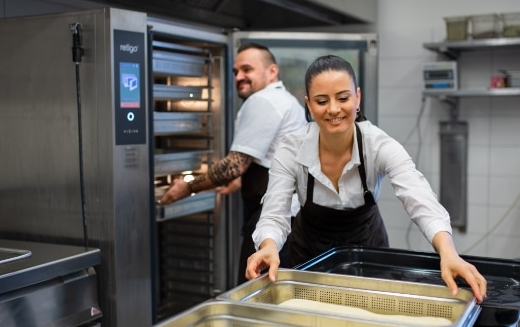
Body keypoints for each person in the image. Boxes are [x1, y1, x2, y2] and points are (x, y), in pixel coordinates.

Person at [246, 55, 487, 302]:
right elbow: (275, 213)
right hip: (309, 258)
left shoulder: (379, 146)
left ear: (357, 97)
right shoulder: (291, 149)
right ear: (308, 104)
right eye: (321, 101)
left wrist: (448, 253)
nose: (333, 109)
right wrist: (268, 245)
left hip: (368, 255)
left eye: (343, 98)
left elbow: (420, 200)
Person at [160, 42, 306, 284]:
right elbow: (269, 157)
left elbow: (234, 165)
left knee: (255, 293)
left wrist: (187, 187)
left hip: (272, 219)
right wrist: (240, 180)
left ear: (272, 71)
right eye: (236, 72)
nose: (239, 77)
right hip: (288, 219)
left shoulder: (264, 101)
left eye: (247, 69)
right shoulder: (284, 100)